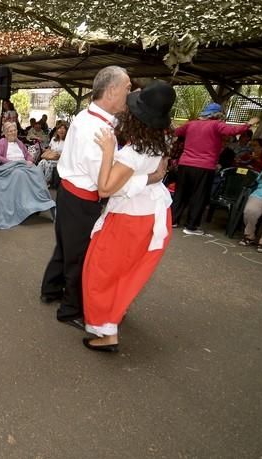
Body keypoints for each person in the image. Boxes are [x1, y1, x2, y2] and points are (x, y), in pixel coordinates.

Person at [40, 66, 166, 330]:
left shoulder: (92, 118)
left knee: (65, 247)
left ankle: (51, 289)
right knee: (80, 255)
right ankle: (70, 309)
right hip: (82, 197)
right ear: (111, 91)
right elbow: (107, 183)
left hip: (69, 191)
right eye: (128, 88)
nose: (131, 94)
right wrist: (149, 179)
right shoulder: (98, 130)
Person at [82, 80, 176, 352]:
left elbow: (105, 188)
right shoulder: (161, 140)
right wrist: (147, 178)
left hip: (130, 219)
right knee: (128, 272)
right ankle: (115, 313)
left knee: (100, 271)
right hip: (153, 215)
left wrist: (110, 151)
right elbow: (158, 174)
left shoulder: (133, 152)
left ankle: (106, 331)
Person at [171, 103, 259, 235]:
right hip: (204, 166)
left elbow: (175, 132)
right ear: (218, 115)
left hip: (185, 164)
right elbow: (233, 131)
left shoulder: (191, 124)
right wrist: (249, 123)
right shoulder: (217, 124)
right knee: (198, 196)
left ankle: (172, 220)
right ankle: (191, 226)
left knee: (180, 193)